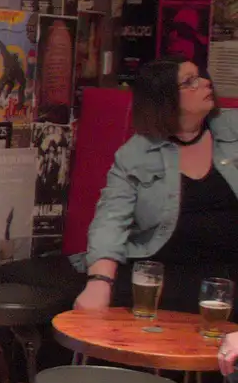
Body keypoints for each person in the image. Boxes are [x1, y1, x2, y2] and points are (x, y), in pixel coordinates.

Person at [74, 58, 238, 314]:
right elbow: (111, 219)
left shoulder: (233, 130)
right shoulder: (136, 154)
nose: (206, 83)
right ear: (165, 98)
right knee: (96, 297)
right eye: (190, 81)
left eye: (201, 76)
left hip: (227, 269)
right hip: (161, 268)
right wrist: (99, 282)